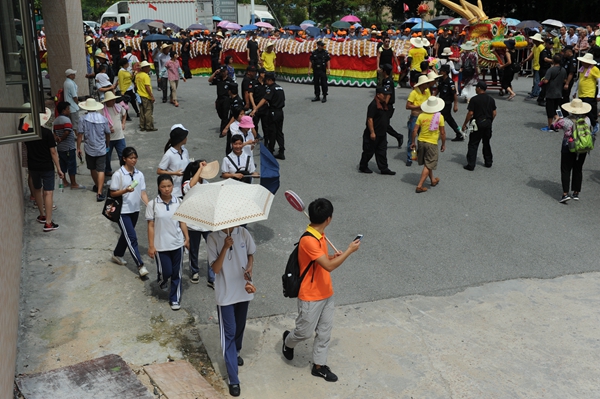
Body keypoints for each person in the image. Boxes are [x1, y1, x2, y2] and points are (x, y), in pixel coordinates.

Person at [282, 198, 360, 383]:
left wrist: (332, 256)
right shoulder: (309, 240)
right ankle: (288, 341)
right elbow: (329, 267)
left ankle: (319, 366)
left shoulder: (320, 235)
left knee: (325, 332)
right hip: (310, 296)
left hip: (326, 292)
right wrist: (349, 251)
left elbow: (321, 262)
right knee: (304, 333)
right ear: (329, 219)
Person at [207, 225, 257, 397]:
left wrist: (249, 267)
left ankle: (235, 353)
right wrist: (225, 247)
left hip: (243, 290)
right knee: (229, 333)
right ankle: (233, 379)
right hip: (226, 294)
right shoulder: (213, 238)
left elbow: (251, 254)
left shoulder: (243, 233)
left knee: (240, 327)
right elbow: (215, 269)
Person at [146, 175, 190, 311]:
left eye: (169, 186)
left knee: (177, 273)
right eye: (163, 186)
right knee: (166, 272)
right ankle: (162, 279)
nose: (166, 189)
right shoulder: (152, 204)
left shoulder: (179, 202)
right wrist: (151, 246)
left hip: (177, 244)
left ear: (173, 186)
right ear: (158, 187)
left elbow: (182, 221)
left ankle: (174, 299)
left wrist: (187, 238)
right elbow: (151, 226)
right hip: (161, 245)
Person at [109, 147, 150, 277]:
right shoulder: (118, 174)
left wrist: (148, 205)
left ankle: (117, 254)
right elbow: (112, 193)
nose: (134, 160)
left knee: (126, 234)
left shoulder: (139, 174)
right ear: (124, 159)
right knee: (132, 237)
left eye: (135, 158)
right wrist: (125, 191)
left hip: (135, 210)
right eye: (131, 158)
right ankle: (140, 265)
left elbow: (142, 192)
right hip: (122, 211)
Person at [22, 109, 64, 232]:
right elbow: (53, 152)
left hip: (33, 166)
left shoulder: (26, 132)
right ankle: (49, 223)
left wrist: (26, 120)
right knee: (48, 192)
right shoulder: (46, 133)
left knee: (37, 190)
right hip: (46, 166)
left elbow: (23, 127)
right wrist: (59, 168)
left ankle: (42, 215)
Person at [182, 161, 218, 287]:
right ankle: (194, 271)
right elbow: (191, 186)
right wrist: (200, 169)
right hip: (193, 223)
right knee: (194, 249)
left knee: (212, 249)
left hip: (206, 223)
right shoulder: (187, 183)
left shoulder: (207, 184)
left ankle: (212, 277)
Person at [553, 99, 592, 203]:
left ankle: (565, 193)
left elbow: (554, 126)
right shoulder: (587, 119)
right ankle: (576, 192)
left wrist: (556, 119)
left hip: (568, 146)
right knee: (578, 169)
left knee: (566, 169)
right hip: (583, 147)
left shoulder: (566, 120)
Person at [77, 98, 111, 201]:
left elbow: (80, 135)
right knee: (101, 170)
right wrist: (107, 145)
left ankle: (97, 186)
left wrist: (78, 148)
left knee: (92, 168)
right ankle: (100, 192)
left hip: (89, 148)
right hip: (101, 148)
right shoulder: (103, 119)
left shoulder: (83, 119)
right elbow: (108, 133)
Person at [411, 96, 446, 193]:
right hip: (432, 143)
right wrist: (443, 144)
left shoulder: (421, 116)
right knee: (429, 164)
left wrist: (413, 142)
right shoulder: (440, 117)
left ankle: (433, 180)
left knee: (428, 162)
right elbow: (442, 133)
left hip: (421, 141)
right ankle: (419, 186)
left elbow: (415, 130)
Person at [358, 86, 396, 175]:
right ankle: (363, 166)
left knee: (382, 151)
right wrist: (372, 132)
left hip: (382, 133)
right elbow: (370, 119)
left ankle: (384, 168)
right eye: (384, 95)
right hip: (373, 133)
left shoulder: (383, 104)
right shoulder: (373, 105)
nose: (386, 96)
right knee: (369, 151)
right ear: (378, 95)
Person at [462, 81, 496, 171]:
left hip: (476, 124)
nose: (475, 89)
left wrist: (465, 124)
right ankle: (488, 162)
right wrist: (489, 121)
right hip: (487, 124)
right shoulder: (491, 99)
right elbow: (494, 113)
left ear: (479, 88)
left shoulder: (474, 99)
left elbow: (470, 113)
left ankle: (471, 164)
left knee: (473, 144)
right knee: (486, 143)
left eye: (476, 87)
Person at [251, 72, 286, 159]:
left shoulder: (271, 88)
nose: (265, 82)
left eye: (266, 80)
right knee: (279, 132)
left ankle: (270, 150)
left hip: (273, 111)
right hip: (280, 112)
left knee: (272, 132)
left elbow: (264, 99)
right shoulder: (280, 87)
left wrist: (255, 109)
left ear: (270, 80)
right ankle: (281, 151)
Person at [53, 102, 85, 189]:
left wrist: (57, 139)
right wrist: (62, 138)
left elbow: (54, 133)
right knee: (71, 165)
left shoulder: (55, 121)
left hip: (60, 148)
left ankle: (65, 182)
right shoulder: (66, 120)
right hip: (68, 147)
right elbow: (67, 131)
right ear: (63, 110)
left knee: (62, 165)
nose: (69, 111)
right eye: (68, 109)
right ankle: (73, 183)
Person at [405, 74, 433, 166]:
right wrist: (418, 106)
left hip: (424, 117)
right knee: (412, 137)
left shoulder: (427, 91)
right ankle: (410, 156)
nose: (427, 85)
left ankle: (420, 155)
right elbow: (408, 106)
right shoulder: (414, 93)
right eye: (426, 83)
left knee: (423, 137)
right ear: (422, 84)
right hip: (415, 117)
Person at [157, 124, 190, 199]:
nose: (186, 138)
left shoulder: (185, 151)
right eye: (185, 137)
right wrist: (174, 173)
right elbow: (159, 171)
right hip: (175, 191)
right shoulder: (169, 154)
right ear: (180, 139)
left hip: (185, 188)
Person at [101, 91, 127, 176]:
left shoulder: (118, 107)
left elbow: (124, 114)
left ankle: (124, 169)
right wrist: (107, 129)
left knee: (123, 154)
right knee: (107, 156)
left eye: (113, 100)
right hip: (108, 138)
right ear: (106, 101)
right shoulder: (101, 111)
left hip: (119, 136)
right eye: (111, 100)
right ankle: (108, 170)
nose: (113, 102)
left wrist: (123, 123)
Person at [573, 52, 600, 129]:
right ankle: (586, 126)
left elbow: (599, 81)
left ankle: (594, 124)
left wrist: (599, 94)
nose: (582, 62)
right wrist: (575, 91)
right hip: (581, 93)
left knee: (588, 110)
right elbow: (579, 80)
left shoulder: (595, 69)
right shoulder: (582, 68)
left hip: (589, 93)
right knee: (582, 111)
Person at [540, 54, 567, 131]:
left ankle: (550, 125)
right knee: (556, 108)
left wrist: (543, 80)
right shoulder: (563, 69)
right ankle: (558, 121)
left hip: (551, 92)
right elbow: (565, 80)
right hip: (559, 92)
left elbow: (546, 80)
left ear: (553, 61)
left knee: (549, 110)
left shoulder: (550, 70)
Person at [380, 64, 404, 148]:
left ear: (385, 71)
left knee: (384, 125)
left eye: (382, 69)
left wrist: (384, 105)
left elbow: (388, 95)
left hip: (388, 106)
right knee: (384, 124)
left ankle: (398, 136)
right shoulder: (385, 80)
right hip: (387, 105)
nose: (380, 70)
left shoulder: (388, 82)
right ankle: (385, 141)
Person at [437, 65, 462, 141]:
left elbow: (454, 94)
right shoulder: (441, 80)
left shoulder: (450, 82)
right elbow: (438, 90)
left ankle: (435, 133)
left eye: (441, 71)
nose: (440, 72)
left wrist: (455, 105)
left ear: (445, 72)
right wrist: (432, 96)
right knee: (448, 119)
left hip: (447, 103)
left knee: (442, 118)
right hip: (441, 103)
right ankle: (459, 133)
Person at [135, 61, 157, 131]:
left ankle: (142, 125)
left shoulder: (138, 75)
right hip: (146, 96)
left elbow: (135, 85)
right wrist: (151, 96)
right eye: (148, 67)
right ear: (144, 68)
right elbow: (147, 87)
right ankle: (149, 126)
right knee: (148, 112)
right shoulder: (145, 76)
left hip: (140, 95)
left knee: (142, 111)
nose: (149, 68)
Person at [522, 33, 544, 99]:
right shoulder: (535, 46)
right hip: (535, 65)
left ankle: (535, 93)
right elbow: (532, 55)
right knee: (535, 80)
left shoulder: (541, 47)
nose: (533, 40)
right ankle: (535, 92)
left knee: (537, 81)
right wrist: (525, 60)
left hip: (539, 66)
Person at [63, 68, 80, 134]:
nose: (74, 75)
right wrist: (77, 103)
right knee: (75, 122)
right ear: (70, 75)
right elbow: (74, 96)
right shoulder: (70, 84)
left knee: (70, 122)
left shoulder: (66, 82)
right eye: (73, 74)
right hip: (73, 106)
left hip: (68, 105)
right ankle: (77, 135)